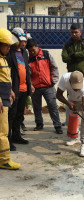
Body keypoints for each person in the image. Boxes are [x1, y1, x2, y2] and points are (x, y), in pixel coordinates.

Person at [61, 23, 84, 129]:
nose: (74, 34)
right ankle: (73, 119)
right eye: (72, 32)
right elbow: (64, 58)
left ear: (80, 32)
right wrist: (76, 56)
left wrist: (74, 55)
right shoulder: (67, 44)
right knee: (71, 99)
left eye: (76, 32)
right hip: (72, 76)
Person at [26, 38, 63, 134]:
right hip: (35, 88)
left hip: (48, 86)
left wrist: (53, 81)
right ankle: (39, 124)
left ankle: (57, 125)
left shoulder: (46, 54)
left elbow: (54, 67)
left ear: (37, 47)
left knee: (52, 105)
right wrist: (31, 85)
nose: (32, 52)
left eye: (33, 50)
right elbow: (27, 74)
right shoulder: (28, 59)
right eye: (30, 51)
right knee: (36, 107)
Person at [56, 71, 84, 157]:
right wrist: (68, 103)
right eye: (75, 87)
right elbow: (58, 95)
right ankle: (76, 137)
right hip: (72, 99)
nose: (77, 89)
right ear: (70, 81)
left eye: (78, 87)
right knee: (70, 120)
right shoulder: (65, 78)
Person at [6, 27, 32, 151]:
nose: (22, 43)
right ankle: (8, 139)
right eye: (20, 41)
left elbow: (26, 69)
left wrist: (29, 84)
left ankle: (17, 136)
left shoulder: (24, 52)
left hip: (24, 89)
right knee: (11, 115)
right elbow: (7, 73)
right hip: (13, 90)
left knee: (19, 114)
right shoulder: (8, 52)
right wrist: (9, 90)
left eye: (24, 41)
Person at [0, 27, 21, 169]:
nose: (9, 48)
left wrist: (11, 91)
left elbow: (5, 78)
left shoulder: (3, 59)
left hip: (5, 98)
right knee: (3, 132)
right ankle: (4, 160)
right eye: (6, 45)